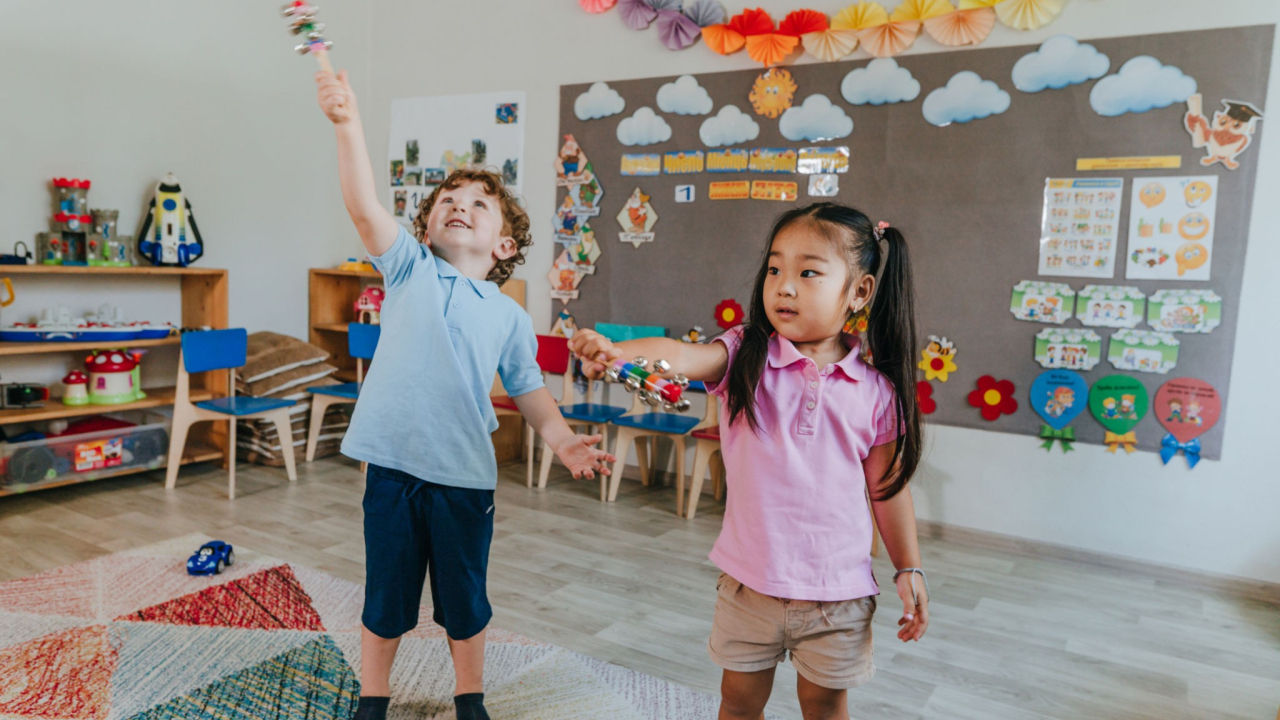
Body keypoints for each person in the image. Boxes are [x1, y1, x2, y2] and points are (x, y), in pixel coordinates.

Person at [315, 69, 615, 720]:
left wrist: (563, 440)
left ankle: (469, 697)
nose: (460, 205)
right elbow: (364, 206)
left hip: (463, 481)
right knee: (386, 597)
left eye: (480, 203)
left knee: (464, 600)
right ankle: (373, 699)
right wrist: (348, 126)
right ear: (426, 230)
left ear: (504, 243)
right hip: (391, 472)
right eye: (448, 198)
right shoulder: (408, 269)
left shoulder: (508, 314)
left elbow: (528, 389)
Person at [571, 203, 930, 720]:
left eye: (808, 272)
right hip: (749, 585)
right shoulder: (746, 353)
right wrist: (618, 351)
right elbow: (683, 355)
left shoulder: (877, 392)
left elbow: (888, 489)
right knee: (738, 704)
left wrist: (908, 567)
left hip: (838, 595)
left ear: (860, 291)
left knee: (825, 706)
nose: (784, 287)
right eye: (775, 269)